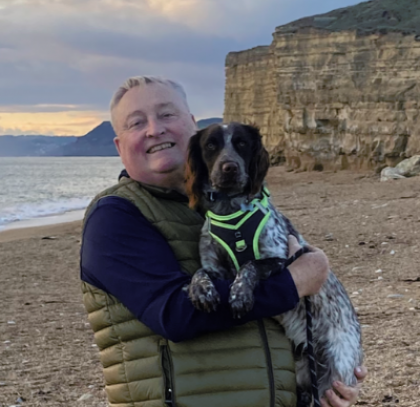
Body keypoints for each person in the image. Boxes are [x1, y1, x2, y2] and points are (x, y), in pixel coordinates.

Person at [80, 76, 367, 407]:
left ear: (192, 126)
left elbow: (289, 316)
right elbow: (175, 314)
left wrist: (332, 378)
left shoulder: (229, 210)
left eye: (167, 115)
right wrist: (297, 279)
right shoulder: (114, 216)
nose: (154, 129)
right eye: (136, 123)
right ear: (119, 146)